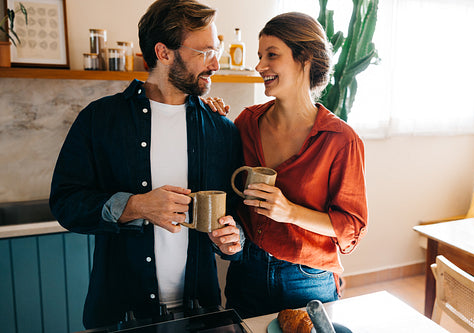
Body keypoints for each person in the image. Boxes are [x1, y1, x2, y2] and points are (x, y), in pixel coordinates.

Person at [49, 0, 243, 329]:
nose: (216, 62)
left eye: (218, 48)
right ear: (164, 52)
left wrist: (232, 239)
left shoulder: (221, 128)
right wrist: (136, 206)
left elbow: (237, 219)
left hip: (203, 313)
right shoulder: (99, 119)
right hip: (122, 315)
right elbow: (65, 203)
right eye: (205, 51)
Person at [219, 12, 368, 318]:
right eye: (260, 56)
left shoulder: (341, 139)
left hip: (308, 280)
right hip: (247, 271)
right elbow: (231, 198)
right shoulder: (247, 122)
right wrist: (209, 117)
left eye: (272, 55)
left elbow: (350, 228)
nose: (260, 66)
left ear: (306, 59)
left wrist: (289, 212)